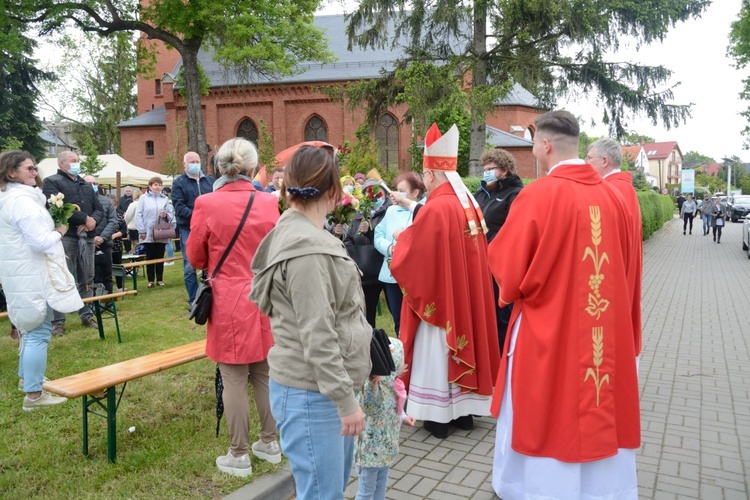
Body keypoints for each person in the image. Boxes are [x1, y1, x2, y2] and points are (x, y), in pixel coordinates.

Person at [488, 110, 640, 499]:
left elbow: (507, 266)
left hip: (549, 328)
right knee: (598, 404)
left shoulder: (538, 195)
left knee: (547, 408)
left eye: (533, 141)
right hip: (604, 328)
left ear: (544, 144)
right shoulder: (614, 195)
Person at [250, 145, 371, 498]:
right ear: (334, 192)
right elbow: (318, 335)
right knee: (322, 493)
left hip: (315, 388)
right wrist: (345, 402)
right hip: (314, 394)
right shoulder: (309, 249)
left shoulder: (296, 232)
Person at [389, 123, 500, 439]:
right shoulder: (468, 204)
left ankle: (438, 417)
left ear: (431, 174)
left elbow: (418, 253)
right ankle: (464, 414)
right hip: (466, 295)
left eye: (424, 173)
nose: (424, 179)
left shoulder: (438, 206)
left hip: (442, 301)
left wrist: (400, 240)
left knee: (437, 352)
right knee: (462, 345)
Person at [186, 138, 280, 477]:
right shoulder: (269, 202)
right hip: (265, 295)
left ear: (218, 168)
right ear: (252, 169)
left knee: (235, 376)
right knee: (264, 373)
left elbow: (195, 256)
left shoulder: (206, 203)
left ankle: (239, 454)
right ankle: (269, 442)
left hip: (228, 297)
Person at [0, 151, 83, 410]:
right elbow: (39, 241)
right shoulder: (22, 202)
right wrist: (59, 232)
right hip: (33, 275)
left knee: (29, 331)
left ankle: (27, 379)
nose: (35, 172)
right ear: (11, 172)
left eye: (35, 168)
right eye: (29, 168)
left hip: (22, 274)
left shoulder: (12, 198)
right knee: (38, 331)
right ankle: (34, 395)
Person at [587, 137, 644, 358]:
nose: (585, 162)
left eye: (589, 157)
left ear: (604, 161)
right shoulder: (622, 187)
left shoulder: (612, 190)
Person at [42, 151, 103, 336]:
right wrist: (84, 218)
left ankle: (87, 314)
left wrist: (92, 221)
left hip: (88, 237)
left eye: (78, 160)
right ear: (62, 164)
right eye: (73, 161)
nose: (77, 163)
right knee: (63, 277)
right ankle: (58, 321)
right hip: (67, 237)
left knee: (88, 277)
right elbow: (56, 208)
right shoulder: (52, 182)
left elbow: (99, 208)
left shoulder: (85, 184)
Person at [474, 148, 524, 351]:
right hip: (478, 263)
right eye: (483, 169)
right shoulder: (481, 193)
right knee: (483, 316)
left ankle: (502, 363)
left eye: (490, 169)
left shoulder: (515, 194)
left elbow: (515, 230)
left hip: (500, 266)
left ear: (504, 170)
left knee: (501, 317)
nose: (485, 173)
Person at [355, 337, 416, 500]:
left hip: (385, 449)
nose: (404, 365)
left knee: (381, 485)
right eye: (401, 361)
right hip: (369, 453)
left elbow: (394, 409)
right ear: (392, 363)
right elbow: (370, 406)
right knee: (367, 489)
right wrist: (374, 387)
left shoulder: (392, 386)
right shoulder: (373, 385)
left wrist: (404, 417)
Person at [373, 172, 426, 337]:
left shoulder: (424, 210)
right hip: (392, 273)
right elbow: (378, 235)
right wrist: (390, 248)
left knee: (418, 319)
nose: (397, 194)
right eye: (397, 190)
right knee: (398, 319)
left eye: (402, 190)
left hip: (416, 275)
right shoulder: (391, 211)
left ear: (415, 192)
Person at [344, 178, 390, 330]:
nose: (373, 195)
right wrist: (354, 254)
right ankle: (371, 347)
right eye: (369, 191)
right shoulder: (359, 213)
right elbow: (349, 238)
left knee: (396, 310)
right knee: (367, 313)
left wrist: (370, 233)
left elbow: (388, 239)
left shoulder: (389, 212)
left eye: (377, 191)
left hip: (386, 270)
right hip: (367, 272)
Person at [172, 152, 214, 306]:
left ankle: (208, 297)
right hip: (188, 228)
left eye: (197, 161)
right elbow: (179, 206)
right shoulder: (179, 183)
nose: (195, 164)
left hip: (210, 228)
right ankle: (194, 301)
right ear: (184, 164)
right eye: (191, 161)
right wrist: (198, 217)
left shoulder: (210, 181)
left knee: (210, 263)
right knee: (190, 265)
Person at [135, 176, 175, 288]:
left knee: (160, 256)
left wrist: (165, 215)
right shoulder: (143, 198)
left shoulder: (165, 199)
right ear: (150, 186)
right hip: (148, 231)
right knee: (150, 256)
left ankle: (160, 279)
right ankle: (151, 279)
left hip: (161, 231)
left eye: (159, 185)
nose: (158, 187)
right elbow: (139, 214)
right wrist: (141, 230)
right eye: (155, 185)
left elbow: (171, 214)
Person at [84, 176, 118, 294]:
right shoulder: (79, 202)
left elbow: (113, 221)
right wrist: (91, 237)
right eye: (90, 183)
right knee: (88, 276)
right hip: (86, 243)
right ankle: (91, 303)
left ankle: (108, 302)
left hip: (105, 243)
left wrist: (102, 237)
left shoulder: (106, 201)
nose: (93, 185)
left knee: (107, 275)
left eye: (95, 183)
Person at [107, 194, 128, 291]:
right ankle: (108, 287)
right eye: (111, 205)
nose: (113, 207)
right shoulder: (102, 216)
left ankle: (120, 287)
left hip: (117, 246)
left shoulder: (119, 216)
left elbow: (124, 230)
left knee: (118, 266)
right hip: (105, 246)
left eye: (114, 205)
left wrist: (115, 235)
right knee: (106, 267)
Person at [117, 186, 135, 253]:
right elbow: (118, 208)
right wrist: (123, 213)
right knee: (125, 234)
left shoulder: (133, 199)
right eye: (127, 191)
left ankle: (134, 249)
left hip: (132, 219)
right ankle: (127, 249)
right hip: (123, 218)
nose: (128, 192)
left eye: (129, 191)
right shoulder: (121, 199)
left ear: (131, 191)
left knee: (133, 235)